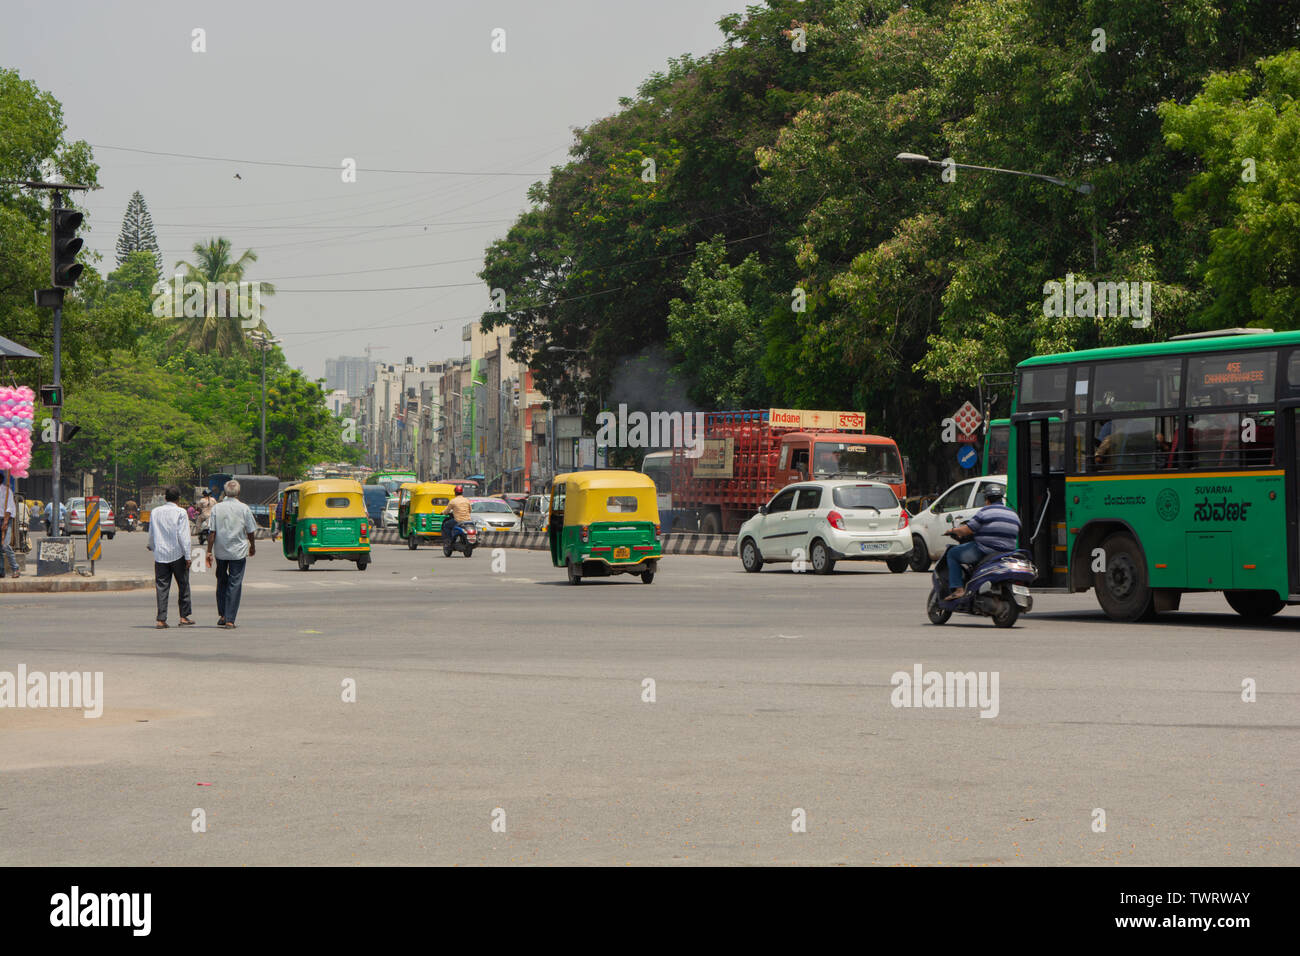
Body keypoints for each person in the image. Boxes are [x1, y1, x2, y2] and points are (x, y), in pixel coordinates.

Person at [945, 484, 1022, 602]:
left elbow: (967, 530)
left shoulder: (985, 511)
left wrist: (953, 530)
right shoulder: (1013, 514)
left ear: (987, 499)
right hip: (1007, 553)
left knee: (952, 554)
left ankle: (958, 589)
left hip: (985, 550)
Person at [205, 479, 257, 629]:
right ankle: (229, 619)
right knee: (234, 583)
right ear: (238, 493)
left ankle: (222, 614)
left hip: (221, 551)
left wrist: (209, 551)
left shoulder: (217, 508)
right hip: (238, 552)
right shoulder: (244, 508)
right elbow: (250, 531)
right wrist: (252, 546)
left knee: (221, 581)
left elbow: (212, 532)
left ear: (225, 492)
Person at [146, 486, 194, 628]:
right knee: (183, 584)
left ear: (165, 498)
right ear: (178, 498)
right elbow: (183, 535)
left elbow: (152, 533)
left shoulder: (155, 512)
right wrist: (188, 556)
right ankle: (183, 617)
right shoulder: (180, 512)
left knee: (162, 587)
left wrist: (152, 546)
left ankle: (161, 619)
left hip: (160, 555)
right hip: (177, 553)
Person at [1, 476, 20, 579]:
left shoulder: (7, 491)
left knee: (5, 545)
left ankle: (15, 568)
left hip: (5, 519)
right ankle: (1, 571)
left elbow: (9, 507)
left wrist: (5, 521)